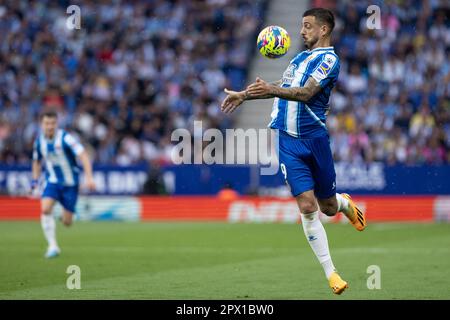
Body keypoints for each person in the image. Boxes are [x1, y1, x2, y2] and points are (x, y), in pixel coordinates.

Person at [221, 8, 366, 295]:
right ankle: (332, 274)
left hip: (315, 141)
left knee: (327, 205)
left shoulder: (329, 60)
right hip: (288, 142)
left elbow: (306, 93)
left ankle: (344, 204)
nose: (302, 31)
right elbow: (279, 87)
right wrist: (245, 94)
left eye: (308, 26)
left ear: (324, 30)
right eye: (301, 26)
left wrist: (271, 90)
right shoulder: (298, 58)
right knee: (308, 206)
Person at [31, 110, 95, 258]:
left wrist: (89, 177)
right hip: (52, 182)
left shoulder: (66, 138)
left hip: (71, 185)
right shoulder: (39, 142)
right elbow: (36, 161)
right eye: (47, 123)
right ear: (42, 124)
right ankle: (53, 246)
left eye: (52, 123)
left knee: (67, 222)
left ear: (57, 124)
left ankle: (64, 215)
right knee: (45, 209)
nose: (49, 126)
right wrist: (34, 182)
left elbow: (83, 155)